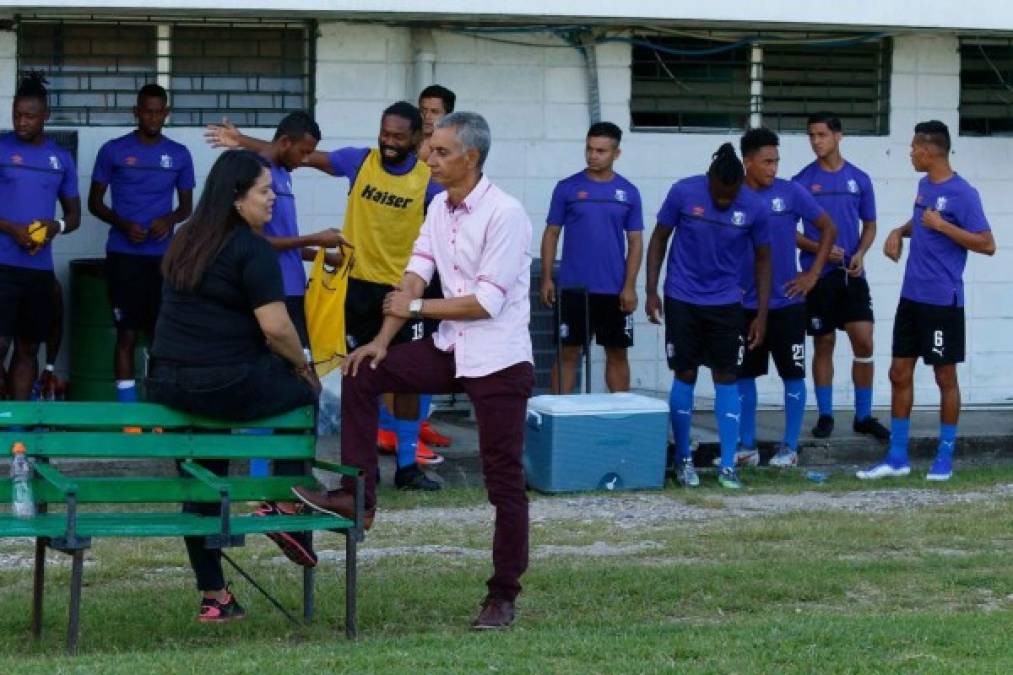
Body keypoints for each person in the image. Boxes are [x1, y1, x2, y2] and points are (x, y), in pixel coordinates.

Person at [293, 112, 536, 630]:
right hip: (451, 348)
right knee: (362, 374)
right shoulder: (440, 209)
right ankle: (357, 499)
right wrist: (380, 343)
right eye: (431, 149)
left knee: (504, 483)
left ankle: (503, 595)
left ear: (471, 157)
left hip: (498, 360)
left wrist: (418, 310)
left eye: (441, 152)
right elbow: (416, 272)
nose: (429, 158)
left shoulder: (506, 214)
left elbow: (486, 302)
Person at [206, 102, 446, 489]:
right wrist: (240, 141)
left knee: (409, 381)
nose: (388, 142)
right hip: (356, 288)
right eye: (384, 133)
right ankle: (359, 468)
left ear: (416, 139)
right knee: (354, 374)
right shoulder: (359, 162)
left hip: (404, 288)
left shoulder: (427, 182)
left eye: (398, 137)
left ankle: (406, 466)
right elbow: (297, 153)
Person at [146, 149, 320, 623]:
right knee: (303, 395)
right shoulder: (251, 247)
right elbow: (277, 329)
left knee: (205, 477)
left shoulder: (185, 240)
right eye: (265, 191)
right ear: (237, 198)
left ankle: (215, 597)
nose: (273, 198)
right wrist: (302, 365)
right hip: (223, 381)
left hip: (168, 384)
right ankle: (283, 503)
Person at [859, 121, 995, 481]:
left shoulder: (963, 193)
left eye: (913, 148)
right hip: (911, 297)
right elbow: (921, 220)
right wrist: (897, 232)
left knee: (944, 375)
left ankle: (944, 458)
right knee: (898, 372)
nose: (910, 154)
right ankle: (897, 457)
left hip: (942, 301)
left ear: (929, 150)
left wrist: (943, 227)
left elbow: (987, 243)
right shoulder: (923, 185)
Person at [646, 143, 771, 489]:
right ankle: (683, 459)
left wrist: (761, 314)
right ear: (710, 180)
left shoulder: (755, 207)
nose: (724, 201)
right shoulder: (683, 192)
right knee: (684, 373)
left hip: (727, 303)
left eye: (731, 196)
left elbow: (763, 259)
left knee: (726, 376)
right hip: (682, 297)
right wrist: (651, 289)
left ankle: (728, 464)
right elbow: (658, 239)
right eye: (719, 194)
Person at [736, 128, 836, 468]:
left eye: (776, 161)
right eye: (766, 162)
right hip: (745, 306)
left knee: (792, 374)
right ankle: (746, 446)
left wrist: (812, 275)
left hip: (787, 304)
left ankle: (789, 448)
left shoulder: (791, 192)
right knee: (742, 376)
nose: (773, 168)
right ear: (747, 162)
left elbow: (828, 228)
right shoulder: (731, 195)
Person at [89, 84, 195, 402]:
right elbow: (94, 203)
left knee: (160, 335)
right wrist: (122, 223)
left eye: (158, 111)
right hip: (123, 256)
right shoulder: (113, 150)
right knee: (127, 332)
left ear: (166, 113)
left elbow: (187, 207)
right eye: (146, 111)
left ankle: (158, 407)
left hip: (163, 259)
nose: (152, 117)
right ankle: (128, 415)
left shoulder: (179, 154)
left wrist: (169, 220)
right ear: (136, 112)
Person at [793, 112, 889, 441]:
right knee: (824, 342)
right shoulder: (802, 181)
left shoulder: (859, 179)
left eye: (821, 134)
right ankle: (825, 415)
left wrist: (861, 253)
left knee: (864, 339)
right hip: (818, 274)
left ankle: (863, 416)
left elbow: (871, 224)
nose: (816, 141)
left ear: (838, 136)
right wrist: (819, 246)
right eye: (811, 135)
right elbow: (789, 231)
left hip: (851, 273)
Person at [540, 121, 643, 394]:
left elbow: (635, 242)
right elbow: (551, 233)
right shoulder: (567, 188)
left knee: (618, 354)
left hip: (614, 290)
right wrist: (548, 278)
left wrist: (630, 286)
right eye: (589, 149)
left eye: (601, 151)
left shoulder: (629, 192)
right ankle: (559, 418)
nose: (593, 155)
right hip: (574, 289)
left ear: (616, 154)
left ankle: (621, 418)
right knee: (568, 354)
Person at [0, 72, 81, 400]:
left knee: (27, 347)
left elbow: (74, 216)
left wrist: (54, 227)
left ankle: (19, 434)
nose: (21, 122)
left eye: (29, 116)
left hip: (38, 270)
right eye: (17, 114)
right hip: (2, 265)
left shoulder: (60, 158)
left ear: (45, 116)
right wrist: (11, 228)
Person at [414, 84, 458, 447]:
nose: (428, 118)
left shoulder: (451, 159)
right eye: (424, 110)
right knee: (401, 345)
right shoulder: (406, 154)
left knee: (432, 342)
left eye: (435, 111)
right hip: (406, 260)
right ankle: (392, 426)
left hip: (440, 261)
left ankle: (420, 421)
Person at [418, 84, 456, 162]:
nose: (427, 116)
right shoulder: (407, 140)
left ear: (448, 115)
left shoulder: (456, 146)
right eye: (423, 111)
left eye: (434, 112)